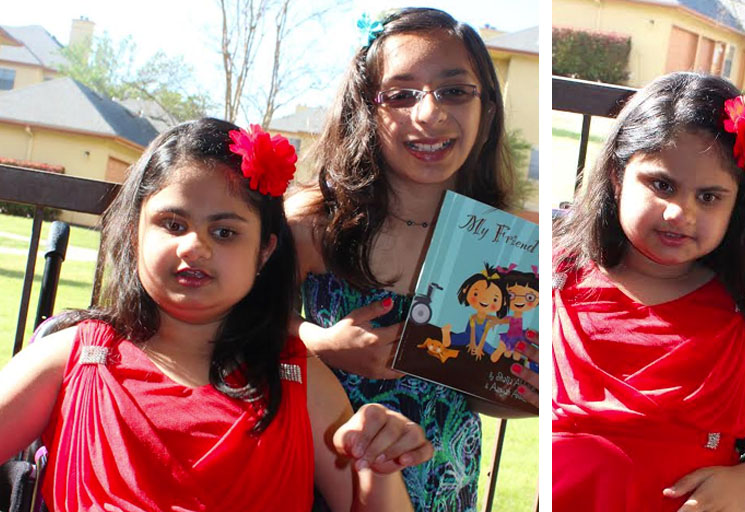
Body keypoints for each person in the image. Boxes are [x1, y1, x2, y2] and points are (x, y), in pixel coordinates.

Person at [0, 118, 433, 512]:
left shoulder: (301, 382)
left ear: (264, 251)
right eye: (172, 224)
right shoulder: (74, 357)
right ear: (135, 233)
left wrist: (378, 464)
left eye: (225, 232)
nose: (195, 247)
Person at [285, 8, 536, 511]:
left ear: (486, 112)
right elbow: (239, 324)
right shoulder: (311, 224)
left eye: (455, 91)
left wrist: (519, 392)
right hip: (327, 481)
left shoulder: (504, 244)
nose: (430, 114)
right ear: (365, 110)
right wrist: (324, 343)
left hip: (446, 486)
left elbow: (476, 393)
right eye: (400, 95)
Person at [551, 72, 745, 511]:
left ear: (738, 207)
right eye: (662, 185)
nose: (681, 212)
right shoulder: (557, 278)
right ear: (618, 176)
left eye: (710, 196)